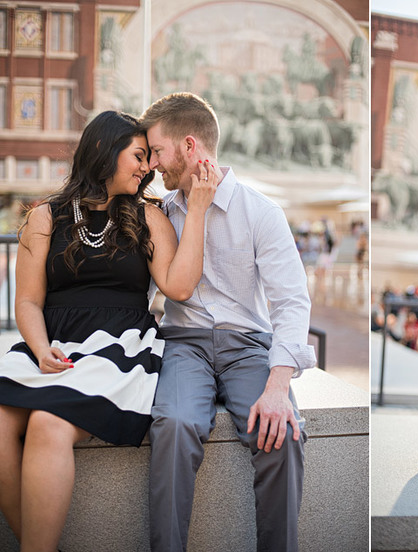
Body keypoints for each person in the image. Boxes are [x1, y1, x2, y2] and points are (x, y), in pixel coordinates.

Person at [0, 110, 217, 551]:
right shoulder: (45, 216)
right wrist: (40, 349)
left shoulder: (148, 218)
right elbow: (27, 301)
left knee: (47, 422)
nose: (148, 167)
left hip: (121, 348)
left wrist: (196, 212)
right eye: (138, 155)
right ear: (103, 150)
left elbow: (179, 285)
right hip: (51, 342)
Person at [141, 92, 315, 552]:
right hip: (183, 344)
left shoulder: (261, 212)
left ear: (190, 145)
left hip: (248, 348)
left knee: (282, 431)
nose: (153, 165)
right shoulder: (159, 215)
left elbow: (292, 302)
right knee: (175, 425)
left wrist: (279, 386)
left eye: (158, 151)